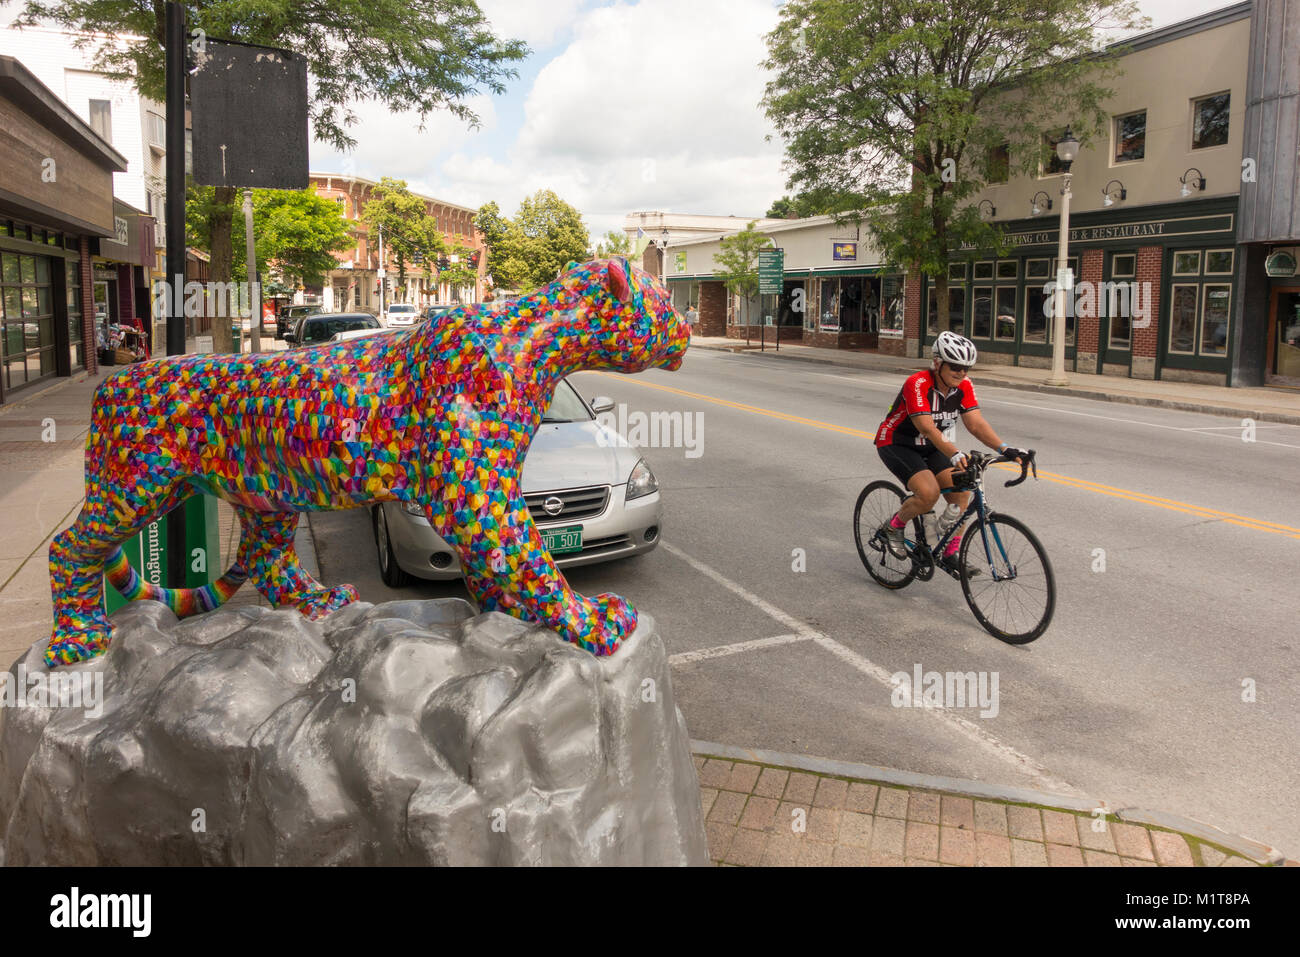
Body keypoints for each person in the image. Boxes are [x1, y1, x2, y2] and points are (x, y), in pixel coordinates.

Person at [873, 331, 1029, 577]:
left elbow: (975, 424)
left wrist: (1004, 448)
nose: (961, 373)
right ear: (937, 363)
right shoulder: (918, 383)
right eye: (955, 366)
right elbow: (926, 427)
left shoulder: (963, 386)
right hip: (898, 442)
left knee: (962, 489)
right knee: (928, 493)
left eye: (966, 368)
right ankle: (894, 526)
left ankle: (949, 553)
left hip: (932, 446)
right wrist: (955, 453)